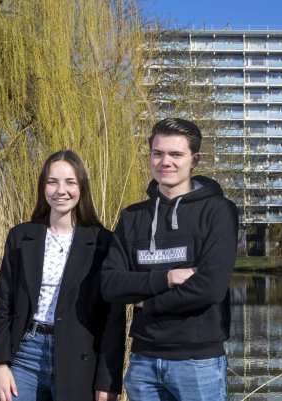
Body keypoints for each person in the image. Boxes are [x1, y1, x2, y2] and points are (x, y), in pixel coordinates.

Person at [100, 118, 238, 401]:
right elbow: (110, 284)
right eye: (158, 153)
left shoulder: (218, 211)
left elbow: (209, 288)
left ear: (194, 160)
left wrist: (145, 302)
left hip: (198, 362)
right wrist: (166, 278)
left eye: (176, 154)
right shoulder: (133, 217)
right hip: (143, 362)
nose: (166, 162)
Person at [0, 150, 126, 401]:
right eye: (53, 182)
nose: (61, 190)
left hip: (78, 357)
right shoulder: (21, 237)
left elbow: (113, 320)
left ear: (81, 187)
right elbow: (5, 306)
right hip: (25, 354)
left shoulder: (103, 242)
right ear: (43, 187)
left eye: (70, 182)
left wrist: (107, 383)